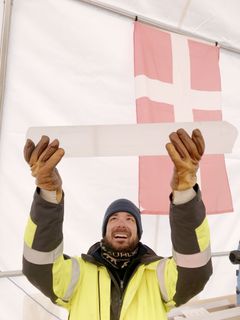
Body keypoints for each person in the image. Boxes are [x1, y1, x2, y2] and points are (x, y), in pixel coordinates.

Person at [22, 128, 212, 320]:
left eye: (130, 220)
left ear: (139, 233)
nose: (121, 224)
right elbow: (39, 267)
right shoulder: (77, 274)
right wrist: (47, 194)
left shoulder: (158, 275)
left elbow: (193, 274)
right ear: (104, 231)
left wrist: (185, 193)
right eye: (114, 219)